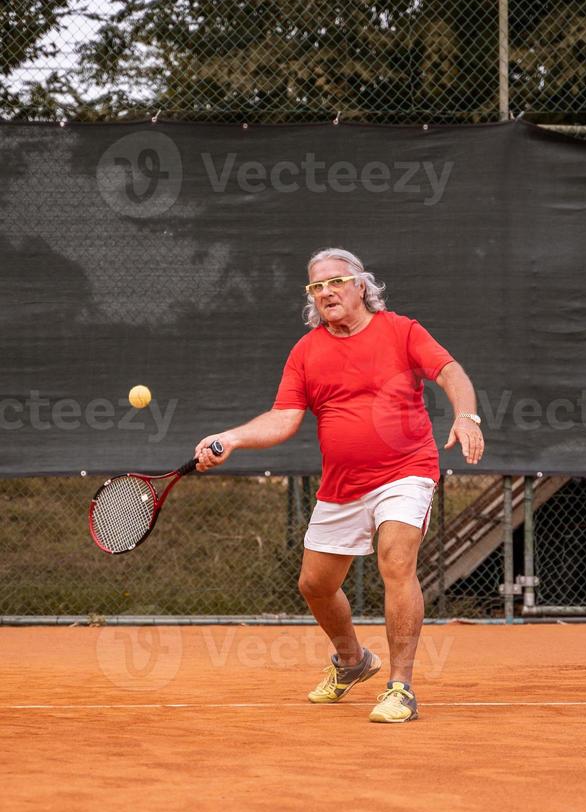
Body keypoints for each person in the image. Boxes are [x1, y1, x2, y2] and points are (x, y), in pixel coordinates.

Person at [195, 248, 484, 723]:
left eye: (335, 281)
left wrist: (466, 416)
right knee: (314, 584)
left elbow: (448, 371)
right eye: (316, 286)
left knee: (396, 561)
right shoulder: (307, 351)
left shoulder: (401, 330)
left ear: (360, 286)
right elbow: (284, 417)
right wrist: (232, 437)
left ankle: (400, 687)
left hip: (406, 470)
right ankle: (352, 661)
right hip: (343, 485)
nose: (325, 291)